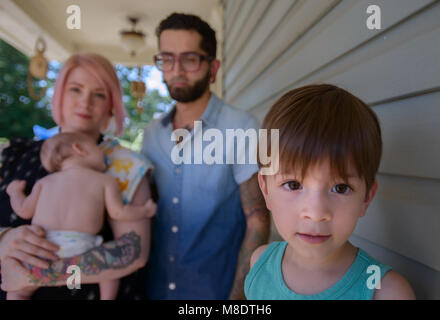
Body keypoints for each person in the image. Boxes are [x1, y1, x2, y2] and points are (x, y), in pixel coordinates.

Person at [0, 53, 154, 300]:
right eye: (75, 89)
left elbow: (134, 251)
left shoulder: (125, 165)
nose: (86, 102)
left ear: (111, 107)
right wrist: (4, 239)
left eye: (99, 94)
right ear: (59, 95)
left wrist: (35, 275)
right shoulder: (13, 154)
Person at [141, 13, 271, 299]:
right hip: (154, 289)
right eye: (167, 59)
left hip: (215, 292)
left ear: (213, 68)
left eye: (189, 59)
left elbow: (258, 220)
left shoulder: (241, 126)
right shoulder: (151, 134)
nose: (177, 70)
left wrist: (238, 298)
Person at [244, 84, 416, 300]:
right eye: (293, 185)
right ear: (265, 190)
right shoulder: (260, 262)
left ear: (366, 198)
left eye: (341, 188)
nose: (316, 213)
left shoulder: (384, 292)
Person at [6, 132, 156, 300]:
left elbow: (24, 211)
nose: (104, 156)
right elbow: (118, 212)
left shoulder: (44, 183)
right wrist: (145, 211)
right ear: (79, 149)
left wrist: (15, 193)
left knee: (17, 290)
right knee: (109, 276)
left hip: (44, 249)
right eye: (98, 150)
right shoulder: (104, 180)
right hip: (81, 246)